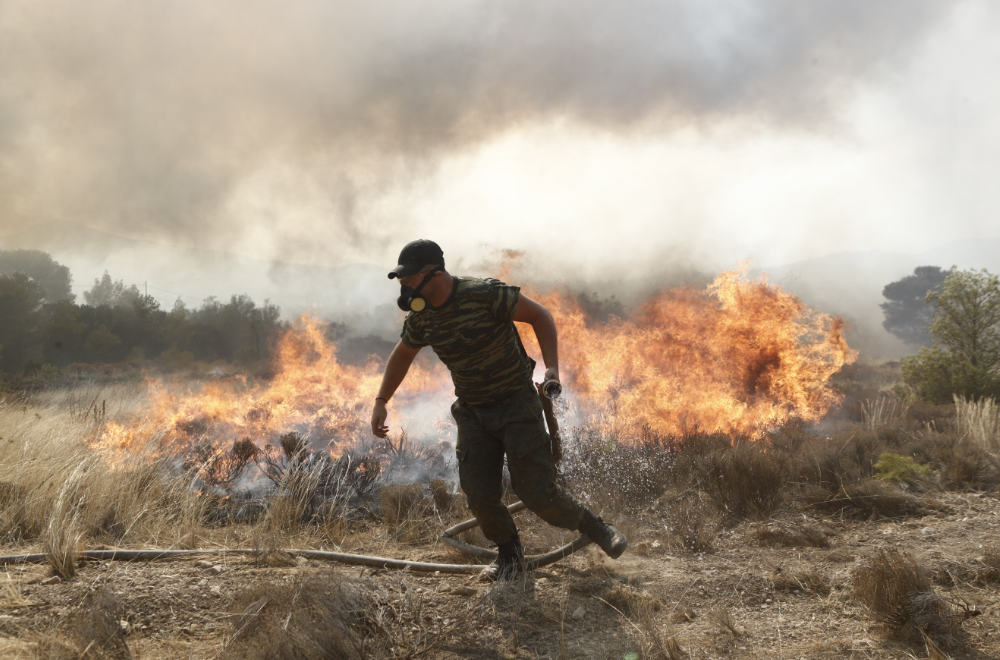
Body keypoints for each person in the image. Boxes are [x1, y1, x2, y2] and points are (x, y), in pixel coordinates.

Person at [370, 239, 627, 580]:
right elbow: (403, 354)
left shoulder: (485, 293)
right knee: (478, 494)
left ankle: (597, 528)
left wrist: (552, 368)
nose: (404, 287)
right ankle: (510, 554)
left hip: (516, 403)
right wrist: (381, 401)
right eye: (401, 280)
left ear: (434, 274)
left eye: (409, 278)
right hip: (474, 411)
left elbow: (539, 315)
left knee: (536, 492)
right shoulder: (422, 318)